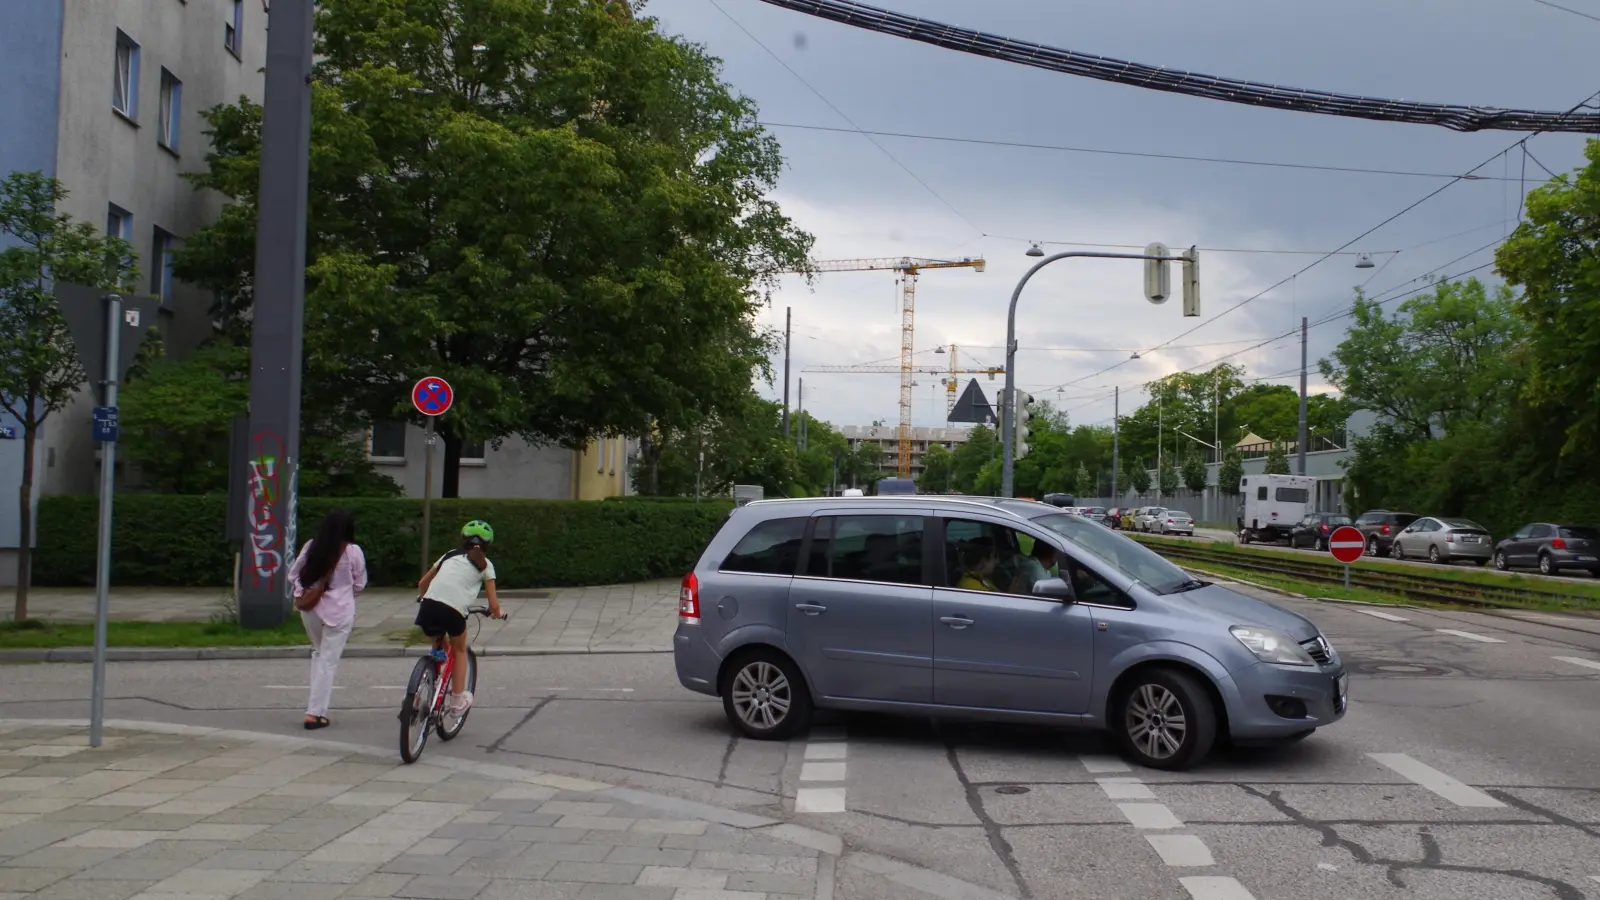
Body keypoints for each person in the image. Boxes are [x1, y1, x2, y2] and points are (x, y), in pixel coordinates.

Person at [287, 509, 367, 730]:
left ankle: (316, 707)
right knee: (328, 661)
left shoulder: (312, 546)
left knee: (318, 653)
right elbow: (360, 584)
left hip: (311, 608)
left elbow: (293, 575)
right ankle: (314, 713)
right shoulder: (353, 551)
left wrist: (305, 591)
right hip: (339, 611)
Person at [415, 520, 504, 715]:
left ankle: (416, 696)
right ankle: (456, 701)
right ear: (488, 545)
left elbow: (422, 583)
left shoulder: (449, 555)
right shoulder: (486, 566)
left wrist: (422, 598)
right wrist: (497, 614)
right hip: (453, 611)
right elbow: (493, 604)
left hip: (428, 607)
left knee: (439, 642)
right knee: (459, 649)